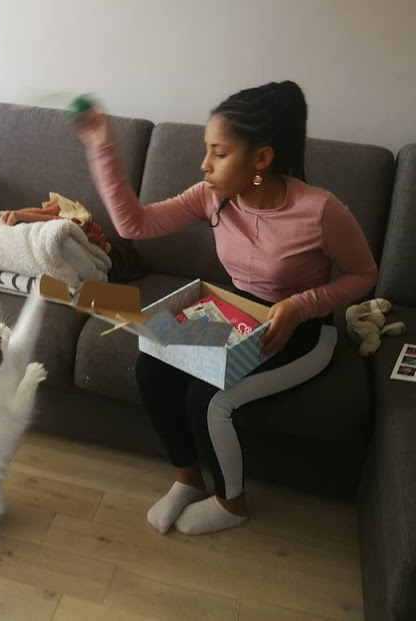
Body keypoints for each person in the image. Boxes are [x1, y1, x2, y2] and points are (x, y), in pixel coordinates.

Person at [75, 81, 378, 536]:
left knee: (208, 399)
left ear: (261, 159)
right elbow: (134, 225)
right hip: (238, 315)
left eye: (218, 153)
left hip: (304, 330)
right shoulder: (211, 196)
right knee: (151, 366)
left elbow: (364, 274)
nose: (205, 165)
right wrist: (102, 145)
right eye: (207, 151)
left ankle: (231, 504)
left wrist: (301, 305)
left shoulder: (319, 210)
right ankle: (188, 480)